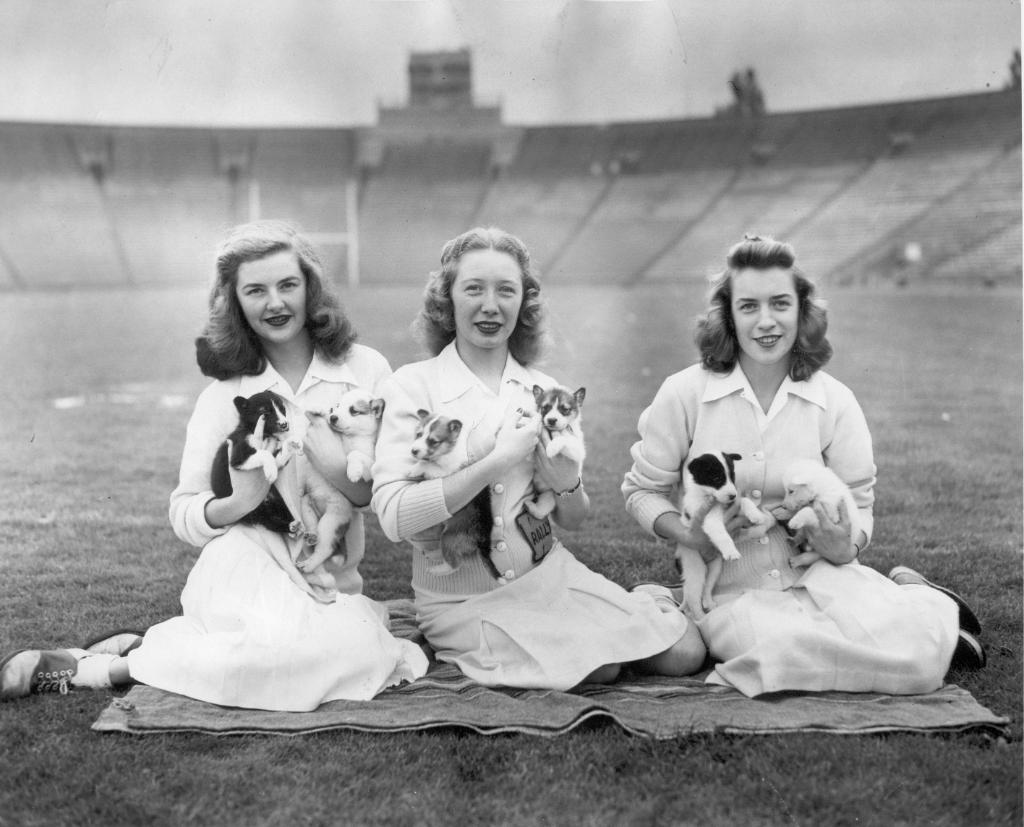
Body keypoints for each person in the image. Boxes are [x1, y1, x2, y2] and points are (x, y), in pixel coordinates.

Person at [1, 221, 428, 710]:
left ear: (311, 288)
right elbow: (184, 511)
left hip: (329, 581)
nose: (275, 303)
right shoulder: (225, 395)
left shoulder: (365, 370)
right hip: (243, 573)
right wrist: (239, 501)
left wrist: (331, 461)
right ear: (234, 301)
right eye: (255, 290)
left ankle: (149, 647)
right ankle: (92, 669)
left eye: (288, 285)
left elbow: (387, 492)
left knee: (354, 654)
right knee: (277, 661)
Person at [621, 234, 985, 697]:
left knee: (916, 664)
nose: (766, 321)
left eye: (780, 304)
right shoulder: (684, 393)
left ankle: (918, 601)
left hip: (823, 572)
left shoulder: (835, 399)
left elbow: (858, 501)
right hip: (735, 590)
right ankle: (912, 608)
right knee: (786, 659)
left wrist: (846, 546)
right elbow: (643, 491)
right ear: (728, 315)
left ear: (801, 310)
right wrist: (691, 537)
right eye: (748, 306)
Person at [370, 226, 705, 690]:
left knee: (686, 651)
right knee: (597, 667)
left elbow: (574, 518)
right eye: (474, 289)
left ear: (523, 302)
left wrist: (568, 483)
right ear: (447, 300)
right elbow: (393, 518)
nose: (491, 306)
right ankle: (596, 630)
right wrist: (493, 461)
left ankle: (647, 601)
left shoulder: (544, 390)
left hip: (549, 577)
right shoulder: (412, 386)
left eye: (506, 290)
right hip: (462, 604)